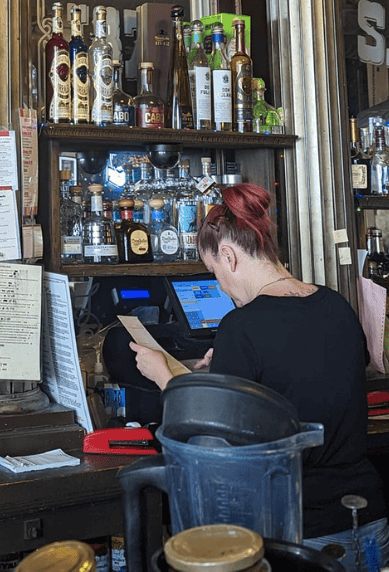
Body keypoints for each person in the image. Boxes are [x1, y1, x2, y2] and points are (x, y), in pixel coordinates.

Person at [130, 182, 389, 571]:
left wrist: (163, 374)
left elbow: (217, 446)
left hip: (300, 534)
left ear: (230, 257)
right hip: (370, 521)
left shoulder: (241, 327)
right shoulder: (337, 305)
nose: (220, 285)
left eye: (214, 271)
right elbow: (306, 369)